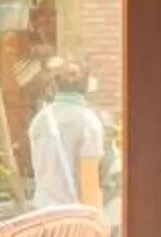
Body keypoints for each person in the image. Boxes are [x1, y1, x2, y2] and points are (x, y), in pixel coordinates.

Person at [24, 64, 109, 208]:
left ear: (56, 84)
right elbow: (89, 187)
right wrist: (99, 225)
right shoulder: (88, 123)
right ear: (86, 85)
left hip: (41, 214)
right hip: (71, 220)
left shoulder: (39, 120)